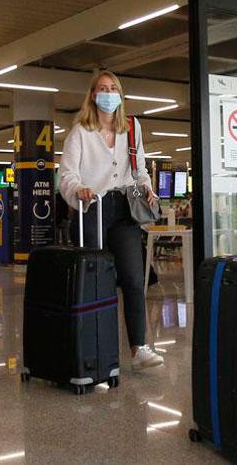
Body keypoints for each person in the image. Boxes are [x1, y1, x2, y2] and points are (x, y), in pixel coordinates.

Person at [59, 70, 164, 371]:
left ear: (120, 94)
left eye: (113, 88)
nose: (108, 93)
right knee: (96, 280)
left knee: (132, 278)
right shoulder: (81, 131)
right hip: (93, 207)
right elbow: (66, 174)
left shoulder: (131, 127)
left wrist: (148, 188)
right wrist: (78, 190)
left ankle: (139, 346)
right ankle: (94, 348)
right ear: (93, 95)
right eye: (102, 89)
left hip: (125, 208)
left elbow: (140, 167)